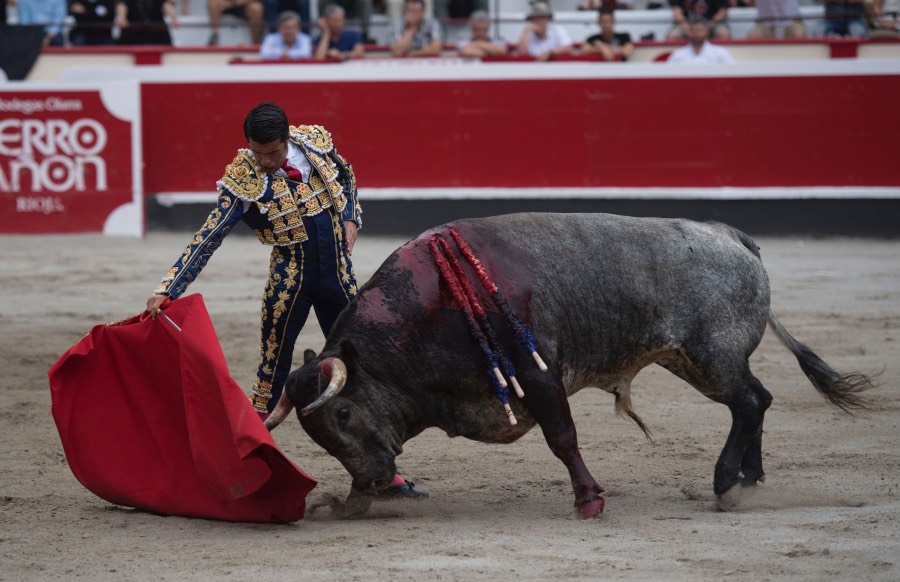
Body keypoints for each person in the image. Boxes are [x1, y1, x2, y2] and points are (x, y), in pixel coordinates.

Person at [145, 102, 425, 499]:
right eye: (257, 153)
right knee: (271, 376)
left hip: (339, 279)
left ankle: (384, 474)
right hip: (289, 284)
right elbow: (208, 237)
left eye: (273, 153)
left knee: (363, 372)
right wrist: (169, 287)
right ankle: (241, 472)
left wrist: (349, 216)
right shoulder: (244, 179)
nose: (265, 162)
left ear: (287, 139)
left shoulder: (314, 145)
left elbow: (345, 174)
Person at [668, 15, 734, 63]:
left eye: (699, 30)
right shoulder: (678, 55)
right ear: (688, 33)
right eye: (693, 31)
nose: (696, 34)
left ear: (706, 32)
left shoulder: (720, 53)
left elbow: (731, 73)